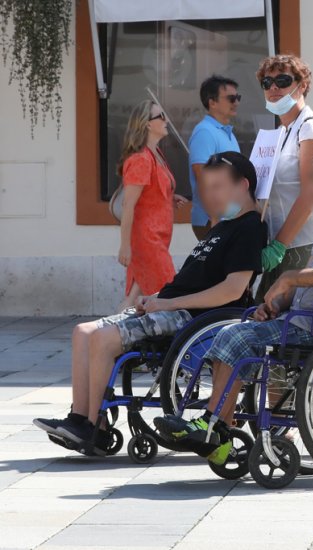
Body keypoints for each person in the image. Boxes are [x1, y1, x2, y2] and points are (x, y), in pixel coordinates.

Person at [154, 145, 313, 465]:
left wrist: (292, 277)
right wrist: (278, 303)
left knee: (234, 338)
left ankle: (214, 426)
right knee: (234, 332)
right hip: (307, 317)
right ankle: (217, 431)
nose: (311, 191)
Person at [33, 152, 267, 455]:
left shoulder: (248, 227)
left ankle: (95, 429)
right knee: (82, 332)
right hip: (170, 307)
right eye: (207, 188)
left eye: (218, 186)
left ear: (243, 185)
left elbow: (232, 291)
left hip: (194, 317)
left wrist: (168, 305)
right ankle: (80, 419)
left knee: (104, 339)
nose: (210, 195)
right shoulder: (221, 227)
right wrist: (155, 298)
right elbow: (191, 280)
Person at [256, 54, 313, 303]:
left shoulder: (311, 128)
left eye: (282, 80)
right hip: (283, 244)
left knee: (278, 320)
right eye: (267, 83)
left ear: (302, 85)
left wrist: (279, 245)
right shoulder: (284, 131)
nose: (274, 88)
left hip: (305, 246)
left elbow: (312, 192)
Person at [117, 100, 188, 311]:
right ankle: (111, 336)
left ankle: (112, 337)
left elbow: (150, 194)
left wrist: (168, 197)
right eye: (161, 116)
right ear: (147, 124)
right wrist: (124, 246)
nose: (167, 120)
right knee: (168, 293)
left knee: (134, 299)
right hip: (147, 241)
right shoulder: (141, 160)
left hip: (156, 238)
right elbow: (128, 205)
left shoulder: (155, 155)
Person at [189, 75, 242, 241]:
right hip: (213, 220)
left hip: (228, 217)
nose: (236, 103)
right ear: (212, 102)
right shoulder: (205, 132)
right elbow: (202, 176)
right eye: (231, 98)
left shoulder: (227, 133)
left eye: (238, 97)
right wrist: (214, 218)